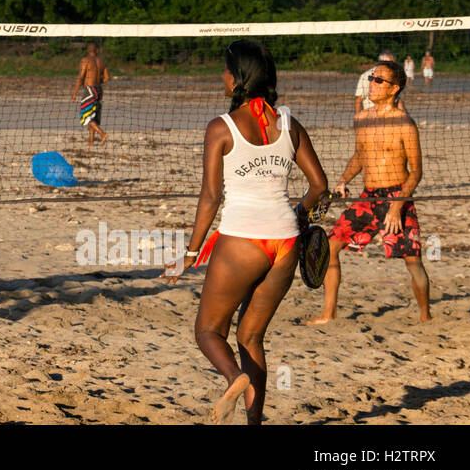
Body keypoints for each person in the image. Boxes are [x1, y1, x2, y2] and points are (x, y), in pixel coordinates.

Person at [167, 41, 327, 424]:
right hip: (285, 242)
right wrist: (299, 218)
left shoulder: (220, 127)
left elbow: (210, 197)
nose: (220, 76)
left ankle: (234, 378)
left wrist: (190, 255)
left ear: (237, 77)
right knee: (251, 338)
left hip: (243, 239)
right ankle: (254, 421)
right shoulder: (289, 123)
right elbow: (320, 186)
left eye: (225, 69)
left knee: (208, 331)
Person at [309, 60, 429, 324]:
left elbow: (416, 173)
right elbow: (360, 156)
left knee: (412, 261)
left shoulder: (404, 124)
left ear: (394, 88)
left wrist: (397, 207)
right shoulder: (362, 118)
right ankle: (329, 314)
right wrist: (342, 180)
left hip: (397, 196)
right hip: (368, 197)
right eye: (371, 78)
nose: (371, 84)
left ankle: (425, 317)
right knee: (330, 247)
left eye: (378, 81)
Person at [71, 41, 110, 146]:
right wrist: (98, 82)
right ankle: (91, 141)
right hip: (99, 90)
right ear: (96, 50)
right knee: (93, 115)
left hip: (89, 90)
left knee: (86, 116)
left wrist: (74, 93)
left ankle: (102, 134)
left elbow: (80, 77)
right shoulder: (102, 61)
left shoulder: (85, 60)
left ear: (88, 50)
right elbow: (107, 78)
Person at [355, 50, 398, 114]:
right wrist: (358, 119)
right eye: (391, 64)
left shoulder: (395, 76)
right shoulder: (366, 75)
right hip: (371, 117)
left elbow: (397, 100)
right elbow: (358, 100)